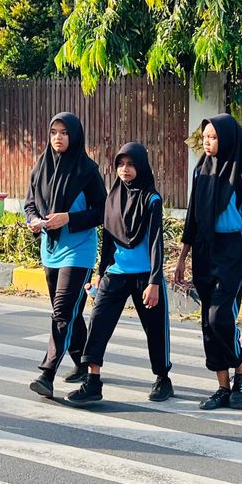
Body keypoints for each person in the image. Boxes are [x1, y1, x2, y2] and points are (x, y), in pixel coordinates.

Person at [67, 142, 172, 405]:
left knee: (155, 329)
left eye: (131, 164)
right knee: (98, 323)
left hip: (145, 276)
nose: (125, 169)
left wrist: (154, 282)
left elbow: (156, 243)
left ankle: (163, 378)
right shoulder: (112, 198)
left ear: (142, 166)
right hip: (116, 272)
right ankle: (93, 381)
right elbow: (109, 239)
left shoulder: (152, 199)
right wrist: (101, 272)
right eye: (121, 164)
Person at [172, 114, 242, 411]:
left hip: (232, 249)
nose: (208, 143)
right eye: (205, 138)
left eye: (213, 137)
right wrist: (182, 258)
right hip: (203, 248)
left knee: (220, 318)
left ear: (227, 138)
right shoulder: (201, 170)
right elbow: (192, 217)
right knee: (207, 324)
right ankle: (223, 387)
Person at [24, 112, 107, 398]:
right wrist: (34, 220)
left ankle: (47, 373)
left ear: (75, 136)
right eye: (54, 132)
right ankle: (82, 363)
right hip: (50, 250)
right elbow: (30, 204)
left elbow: (102, 211)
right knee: (69, 312)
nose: (58, 137)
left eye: (64, 132)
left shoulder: (88, 171)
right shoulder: (40, 167)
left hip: (78, 251)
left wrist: (68, 218)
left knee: (62, 311)